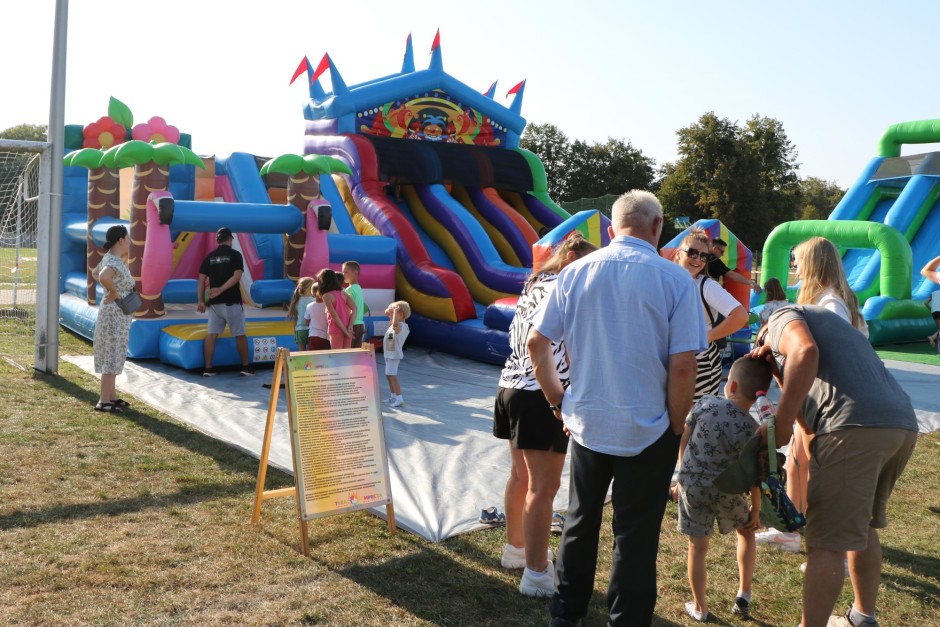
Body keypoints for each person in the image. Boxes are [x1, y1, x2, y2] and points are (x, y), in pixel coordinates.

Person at [527, 190, 707, 627]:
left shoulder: (575, 272)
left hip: (588, 423)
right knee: (635, 535)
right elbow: (684, 365)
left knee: (580, 522)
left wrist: (557, 400)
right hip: (650, 426)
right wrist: (677, 424)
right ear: (658, 226)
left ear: (611, 229)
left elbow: (536, 342)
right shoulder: (675, 279)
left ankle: (566, 614)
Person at [750, 306, 918, 627]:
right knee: (862, 525)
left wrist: (779, 426)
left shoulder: (782, 316)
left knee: (825, 543)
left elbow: (805, 351)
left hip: (853, 426)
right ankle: (862, 617)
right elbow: (808, 423)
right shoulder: (829, 328)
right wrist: (779, 372)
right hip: (900, 425)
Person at [494, 233, 598, 597]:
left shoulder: (535, 285)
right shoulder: (566, 288)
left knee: (521, 477)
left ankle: (516, 550)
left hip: (510, 387)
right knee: (543, 487)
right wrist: (558, 400)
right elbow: (551, 346)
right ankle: (537, 573)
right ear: (571, 258)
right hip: (540, 392)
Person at [759, 237, 869, 553]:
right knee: (796, 461)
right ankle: (792, 529)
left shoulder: (831, 303)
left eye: (798, 261)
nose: (795, 267)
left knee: (821, 469)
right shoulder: (834, 299)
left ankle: (835, 547)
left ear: (814, 263)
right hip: (824, 397)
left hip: (831, 400)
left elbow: (831, 352)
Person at [675, 357, 772, 622]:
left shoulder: (705, 402)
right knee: (746, 532)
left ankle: (700, 607)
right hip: (727, 489)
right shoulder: (754, 430)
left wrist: (682, 475)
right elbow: (755, 475)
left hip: (693, 485)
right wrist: (756, 509)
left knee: (697, 546)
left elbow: (684, 438)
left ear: (732, 385)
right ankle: (744, 594)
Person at [673, 228, 749, 399]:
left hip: (699, 360)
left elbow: (740, 316)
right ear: (678, 254)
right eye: (692, 253)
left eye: (703, 256)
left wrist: (706, 337)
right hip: (672, 357)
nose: (697, 259)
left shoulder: (706, 286)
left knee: (693, 412)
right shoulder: (668, 281)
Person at [197, 227, 253, 376]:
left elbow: (201, 280)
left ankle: (208, 368)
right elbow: (237, 276)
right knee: (240, 334)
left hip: (214, 303)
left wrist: (201, 300)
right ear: (230, 239)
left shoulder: (210, 257)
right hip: (231, 301)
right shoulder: (235, 255)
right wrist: (221, 289)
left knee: (212, 334)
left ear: (218, 240)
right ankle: (245, 367)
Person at [92, 225, 134, 412]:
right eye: (128, 238)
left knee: (115, 353)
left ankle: (111, 396)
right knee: (111, 354)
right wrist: (114, 291)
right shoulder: (113, 261)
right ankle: (103, 400)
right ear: (120, 240)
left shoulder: (110, 258)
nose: (130, 242)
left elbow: (95, 273)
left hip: (116, 314)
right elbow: (102, 276)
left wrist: (111, 288)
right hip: (114, 315)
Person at [316, 268, 356, 349]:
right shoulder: (343, 293)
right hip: (348, 327)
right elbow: (354, 309)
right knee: (346, 354)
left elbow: (334, 315)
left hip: (336, 329)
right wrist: (350, 326)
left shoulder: (326, 296)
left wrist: (345, 330)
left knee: (336, 354)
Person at [383, 300, 411, 407]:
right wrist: (392, 311)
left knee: (392, 376)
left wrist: (394, 311)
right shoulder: (393, 324)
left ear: (401, 315)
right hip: (389, 354)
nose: (391, 315)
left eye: (394, 313)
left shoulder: (402, 326)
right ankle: (393, 396)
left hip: (394, 355)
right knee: (388, 376)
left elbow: (395, 324)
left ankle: (399, 399)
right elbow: (390, 318)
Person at [343, 261, 367, 348]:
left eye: (346, 272)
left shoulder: (349, 290)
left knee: (349, 351)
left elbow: (347, 309)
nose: (343, 274)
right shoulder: (358, 287)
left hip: (352, 325)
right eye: (343, 272)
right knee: (356, 351)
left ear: (355, 272)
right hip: (360, 324)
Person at [287, 277, 316, 351]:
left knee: (301, 352)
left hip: (300, 330)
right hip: (311, 329)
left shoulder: (296, 300)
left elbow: (295, 318)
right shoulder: (314, 300)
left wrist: (295, 332)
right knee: (311, 351)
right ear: (308, 288)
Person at [920, 253, 940, 353]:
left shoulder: (934, 294)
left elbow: (925, 271)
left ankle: (933, 337)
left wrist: (931, 310)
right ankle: (933, 337)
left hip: (936, 311)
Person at [303, 284, 330, 350]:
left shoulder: (309, 306)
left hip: (313, 335)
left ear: (312, 293)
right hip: (325, 335)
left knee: (313, 355)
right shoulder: (328, 306)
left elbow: (306, 322)